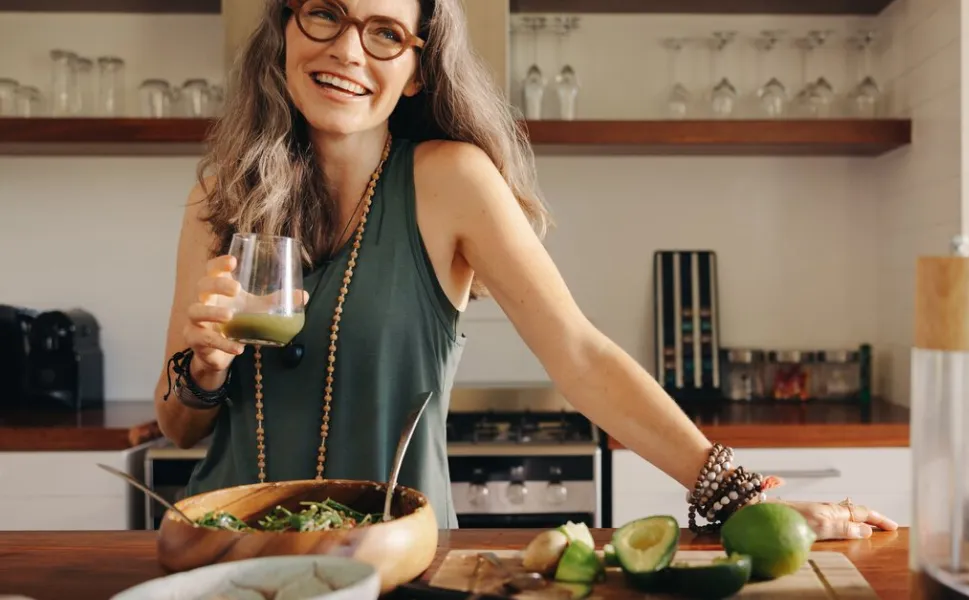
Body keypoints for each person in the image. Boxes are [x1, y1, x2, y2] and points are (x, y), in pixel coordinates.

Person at [153, 0, 899, 540]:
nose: (349, 51)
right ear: (286, 31)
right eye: (325, 15)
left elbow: (580, 356)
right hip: (224, 554)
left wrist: (737, 495)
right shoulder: (220, 194)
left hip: (394, 559)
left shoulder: (451, 181)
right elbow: (178, 426)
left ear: (415, 70)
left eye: (384, 33)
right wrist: (205, 369)